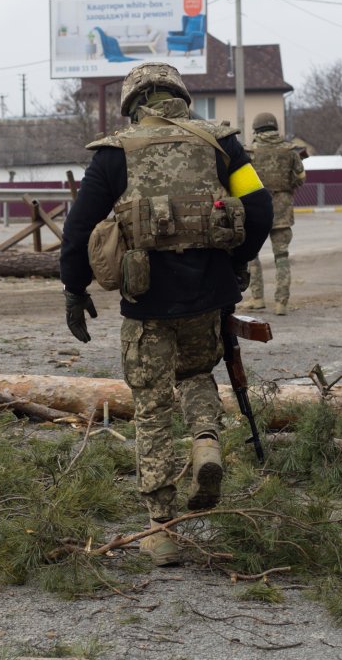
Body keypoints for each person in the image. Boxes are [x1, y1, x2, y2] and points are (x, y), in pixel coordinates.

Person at [60, 62, 273, 565]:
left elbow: (78, 227)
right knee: (198, 374)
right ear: (181, 97)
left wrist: (74, 288)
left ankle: (162, 531)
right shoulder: (222, 144)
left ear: (133, 104)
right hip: (210, 295)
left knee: (153, 407)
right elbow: (260, 209)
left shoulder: (115, 154)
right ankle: (205, 444)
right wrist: (238, 263)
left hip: (146, 301)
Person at [241, 112, 305, 316]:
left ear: (256, 129)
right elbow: (301, 177)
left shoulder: (249, 152)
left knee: (252, 256)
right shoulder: (290, 151)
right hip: (283, 210)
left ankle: (257, 298)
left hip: (256, 211)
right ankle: (281, 303)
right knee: (282, 257)